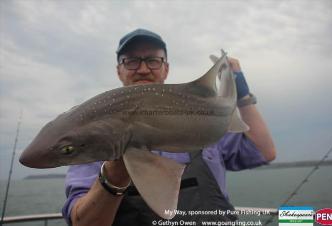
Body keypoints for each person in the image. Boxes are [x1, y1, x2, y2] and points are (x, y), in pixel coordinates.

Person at [62, 28, 276, 226]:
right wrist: (114, 173)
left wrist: (242, 94)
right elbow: (81, 221)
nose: (143, 69)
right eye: (131, 61)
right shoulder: (93, 141)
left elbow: (264, 152)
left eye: (153, 60)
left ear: (166, 68)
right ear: (119, 71)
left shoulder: (204, 120)